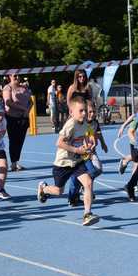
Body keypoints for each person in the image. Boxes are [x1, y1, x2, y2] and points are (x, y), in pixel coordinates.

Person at [37, 95, 100, 226]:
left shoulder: (85, 124)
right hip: (63, 163)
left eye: (85, 111)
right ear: (71, 112)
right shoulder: (70, 124)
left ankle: (87, 214)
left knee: (88, 183)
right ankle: (43, 188)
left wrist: (89, 143)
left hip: (77, 162)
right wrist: (77, 150)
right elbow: (59, 143)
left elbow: (87, 136)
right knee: (59, 191)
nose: (84, 114)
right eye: (81, 111)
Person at [67, 100, 107, 205]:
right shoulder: (77, 123)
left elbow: (95, 134)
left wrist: (102, 143)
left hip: (90, 152)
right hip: (79, 153)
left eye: (94, 112)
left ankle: (85, 187)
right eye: (90, 112)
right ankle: (74, 196)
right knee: (77, 176)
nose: (92, 114)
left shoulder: (93, 123)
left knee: (96, 170)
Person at [2, 74, 33, 171]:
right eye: (14, 75)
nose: (17, 77)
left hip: (24, 118)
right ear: (9, 77)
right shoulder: (7, 87)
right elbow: (8, 102)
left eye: (18, 75)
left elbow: (31, 102)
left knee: (20, 141)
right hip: (12, 117)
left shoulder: (24, 87)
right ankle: (13, 163)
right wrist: (23, 108)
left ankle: (16, 161)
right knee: (13, 140)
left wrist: (27, 111)